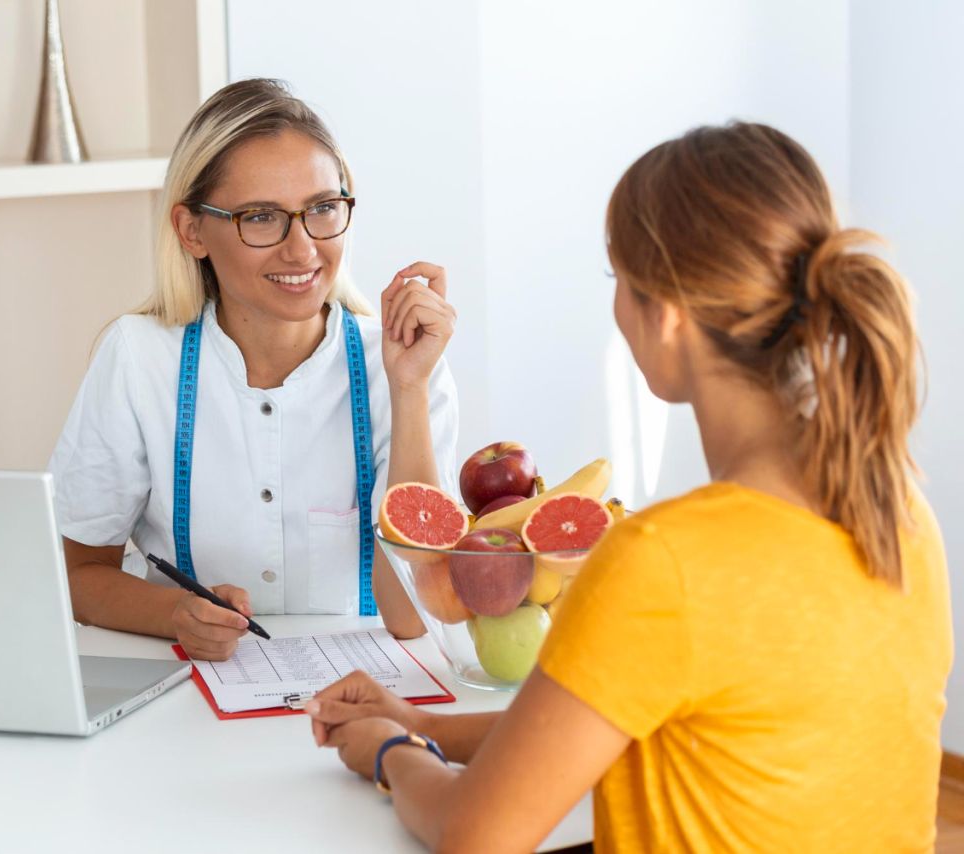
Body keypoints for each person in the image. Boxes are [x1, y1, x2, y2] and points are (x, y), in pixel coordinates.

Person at [305, 122, 950, 852]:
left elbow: (472, 836)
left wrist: (395, 756)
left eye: (620, 281)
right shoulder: (897, 514)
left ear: (668, 315)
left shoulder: (663, 560)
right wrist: (422, 724)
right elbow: (600, 712)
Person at [48, 79, 459, 661]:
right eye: (261, 217)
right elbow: (79, 574)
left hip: (368, 698)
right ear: (192, 231)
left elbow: (413, 613)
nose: (302, 250)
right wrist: (174, 614)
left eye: (321, 209)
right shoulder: (138, 359)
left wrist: (409, 389)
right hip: (186, 702)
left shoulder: (400, 365)